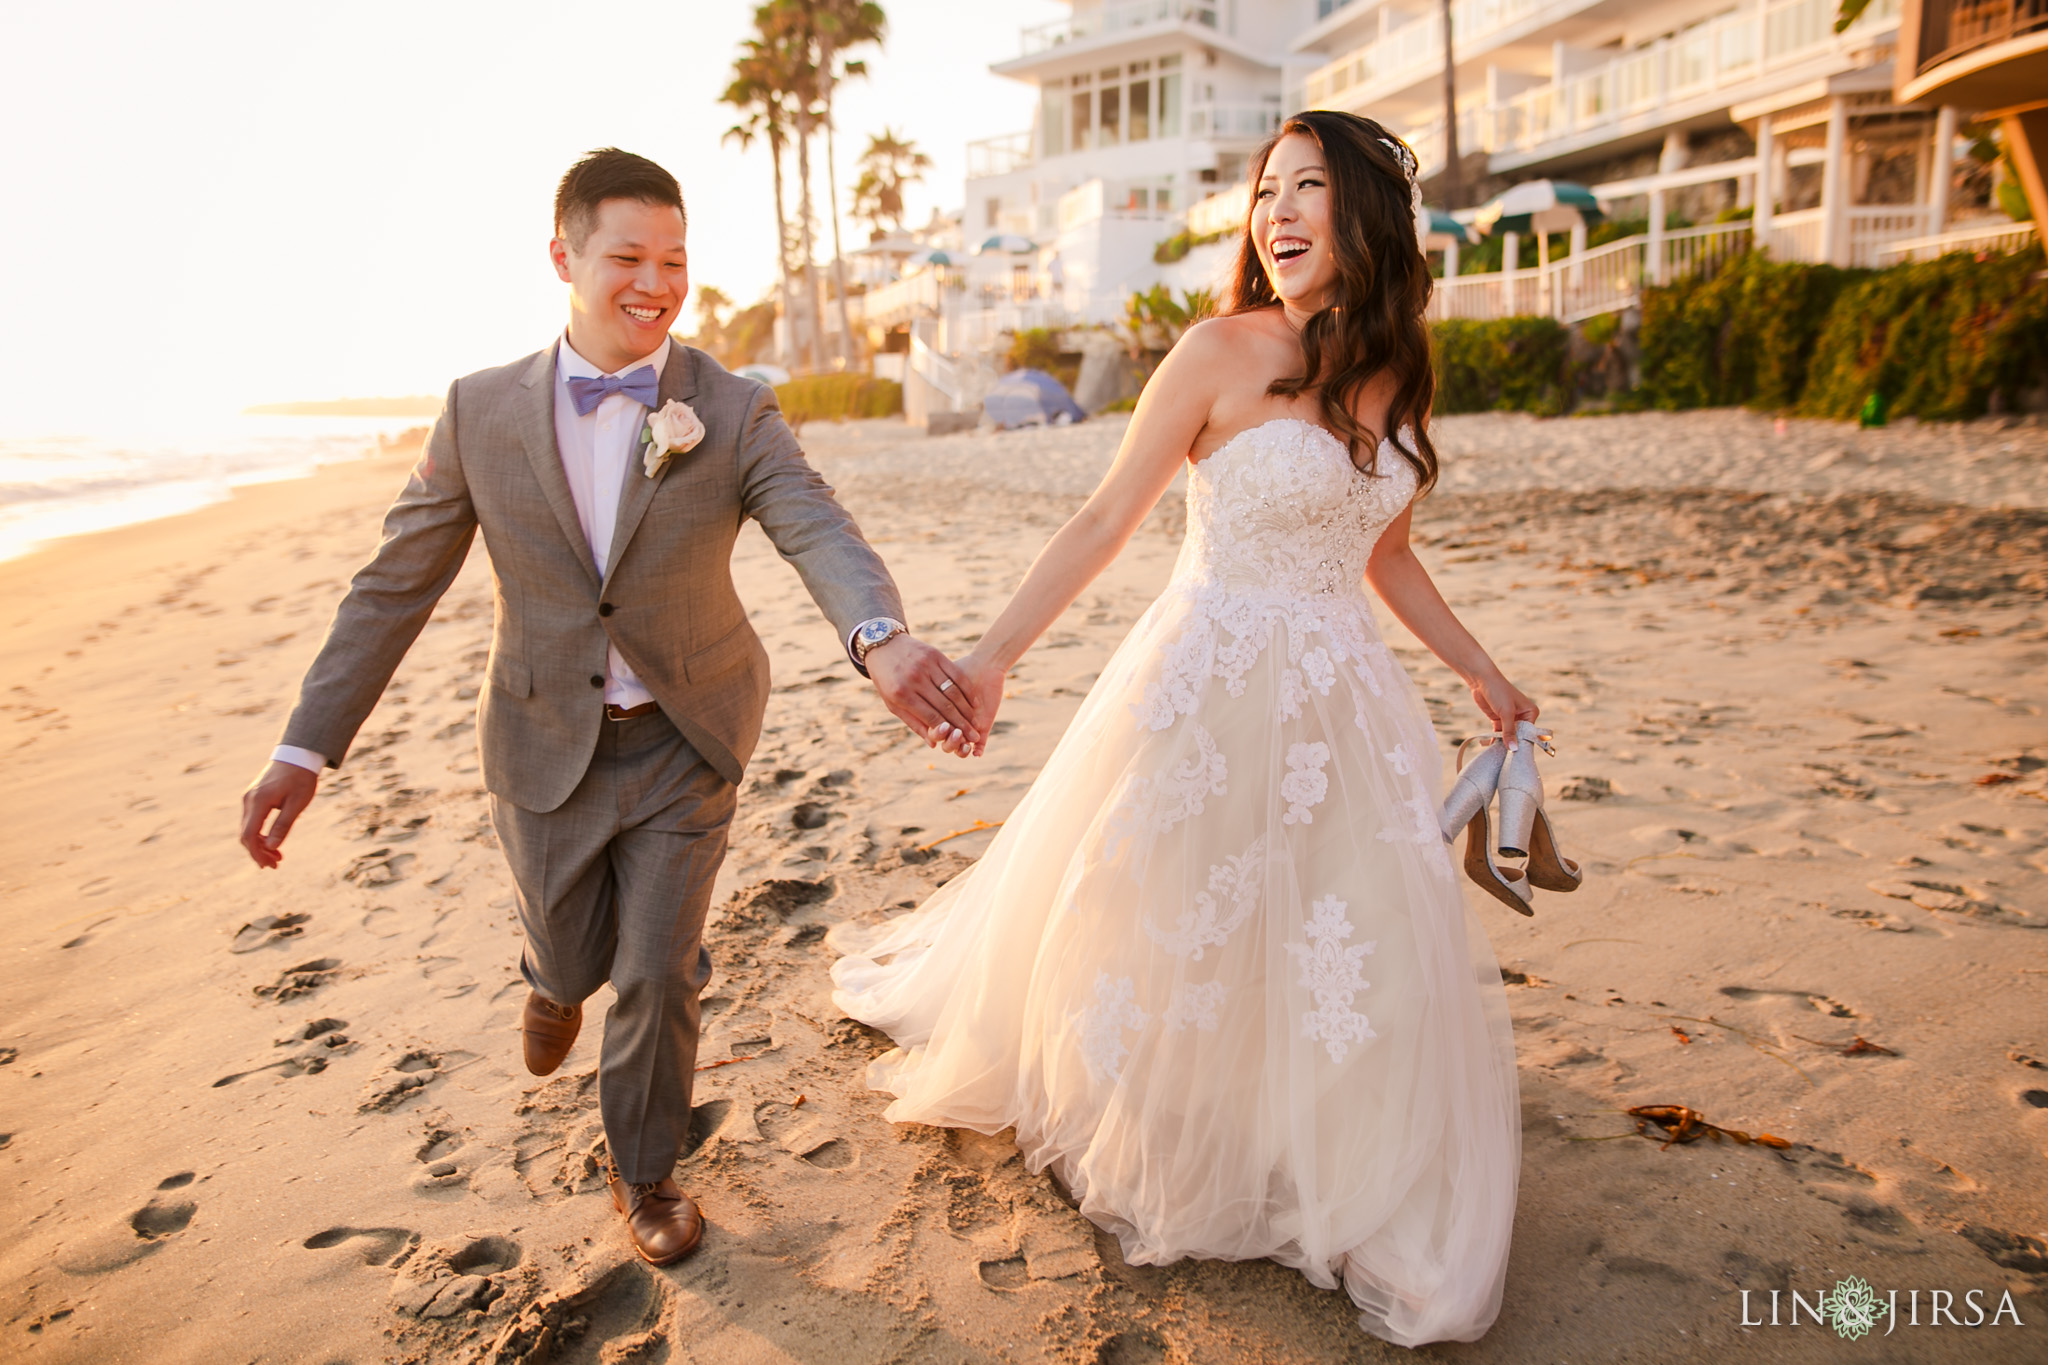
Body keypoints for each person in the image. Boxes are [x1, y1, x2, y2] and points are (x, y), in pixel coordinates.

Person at [830, 112, 1532, 1346]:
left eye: (1307, 188)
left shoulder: (1395, 370)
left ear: (1365, 216)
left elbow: (1388, 555)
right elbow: (1104, 521)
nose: (1277, 213)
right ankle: (1177, 1122)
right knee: (1178, 918)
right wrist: (989, 661)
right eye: (1266, 191)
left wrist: (1480, 670)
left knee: (1341, 934)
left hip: (1344, 706)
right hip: (1207, 686)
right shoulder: (1216, 351)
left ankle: (1331, 1149)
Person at [238, 148, 979, 1267]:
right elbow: (393, 586)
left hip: (688, 738)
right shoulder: (478, 412)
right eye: (627, 256)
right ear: (563, 258)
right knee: (571, 949)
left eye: (674, 260)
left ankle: (645, 1177)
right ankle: (546, 980)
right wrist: (305, 747)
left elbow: (813, 523)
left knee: (657, 972)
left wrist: (876, 636)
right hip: (542, 745)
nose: (655, 282)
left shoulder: (728, 410)